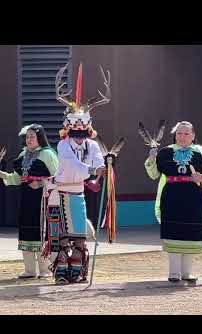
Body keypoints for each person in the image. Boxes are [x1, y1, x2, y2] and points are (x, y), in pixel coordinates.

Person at [45, 62, 109, 285]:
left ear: (89, 130)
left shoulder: (91, 145)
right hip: (59, 194)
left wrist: (103, 166)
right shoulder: (64, 146)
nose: (79, 136)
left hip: (79, 195)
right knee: (62, 239)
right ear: (68, 129)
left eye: (83, 132)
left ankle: (77, 272)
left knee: (80, 239)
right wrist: (92, 170)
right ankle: (61, 272)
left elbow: (98, 161)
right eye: (75, 132)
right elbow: (72, 165)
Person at [145, 121, 202, 283]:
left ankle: (187, 273)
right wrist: (152, 159)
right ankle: (174, 273)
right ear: (175, 135)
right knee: (173, 233)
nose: (182, 136)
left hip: (194, 197)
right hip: (171, 197)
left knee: (190, 234)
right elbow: (154, 174)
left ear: (193, 135)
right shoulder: (165, 152)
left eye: (186, 133)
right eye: (179, 133)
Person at [0, 124, 59, 279]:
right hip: (26, 197)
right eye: (27, 137)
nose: (29, 140)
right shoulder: (23, 155)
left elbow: (57, 176)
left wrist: (40, 184)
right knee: (26, 230)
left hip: (42, 198)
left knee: (42, 231)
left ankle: (45, 269)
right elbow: (17, 178)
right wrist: (3, 175)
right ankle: (30, 270)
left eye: (32, 136)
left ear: (40, 138)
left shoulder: (48, 154)